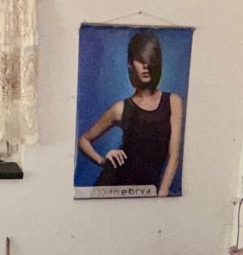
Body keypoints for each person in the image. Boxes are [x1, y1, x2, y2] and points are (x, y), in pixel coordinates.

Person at [77, 30, 184, 196]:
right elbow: (83, 140)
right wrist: (102, 160)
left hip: (148, 192)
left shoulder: (173, 102)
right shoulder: (120, 108)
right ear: (130, 64)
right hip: (111, 188)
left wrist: (161, 196)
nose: (146, 65)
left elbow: (174, 156)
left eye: (151, 59)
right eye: (140, 60)